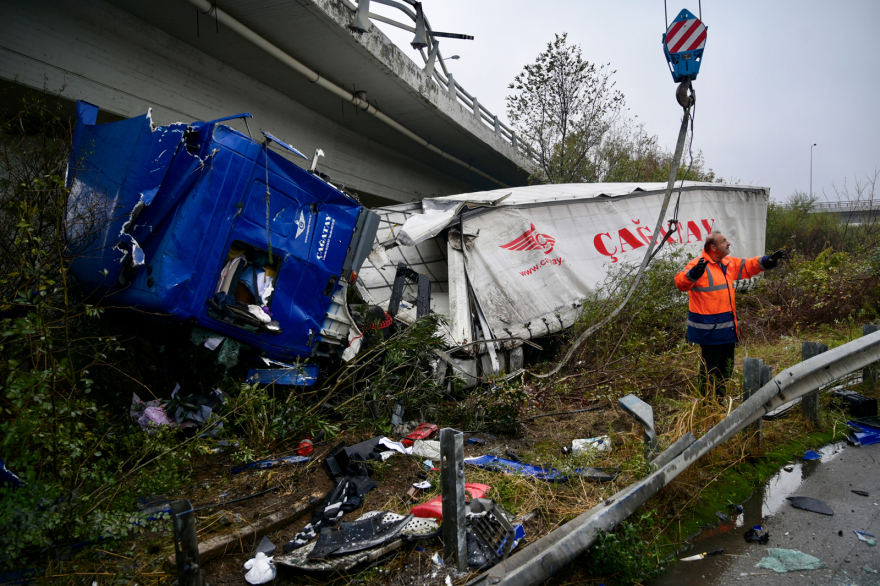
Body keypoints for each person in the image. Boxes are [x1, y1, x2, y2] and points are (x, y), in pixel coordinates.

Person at [674, 232, 786, 394]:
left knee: (725, 369)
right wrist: (693, 274)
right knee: (709, 370)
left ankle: (719, 401)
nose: (728, 244)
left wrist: (767, 260)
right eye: (724, 241)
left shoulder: (728, 262)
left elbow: (748, 265)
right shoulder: (698, 265)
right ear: (713, 247)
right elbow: (681, 282)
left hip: (727, 329)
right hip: (709, 332)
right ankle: (706, 406)